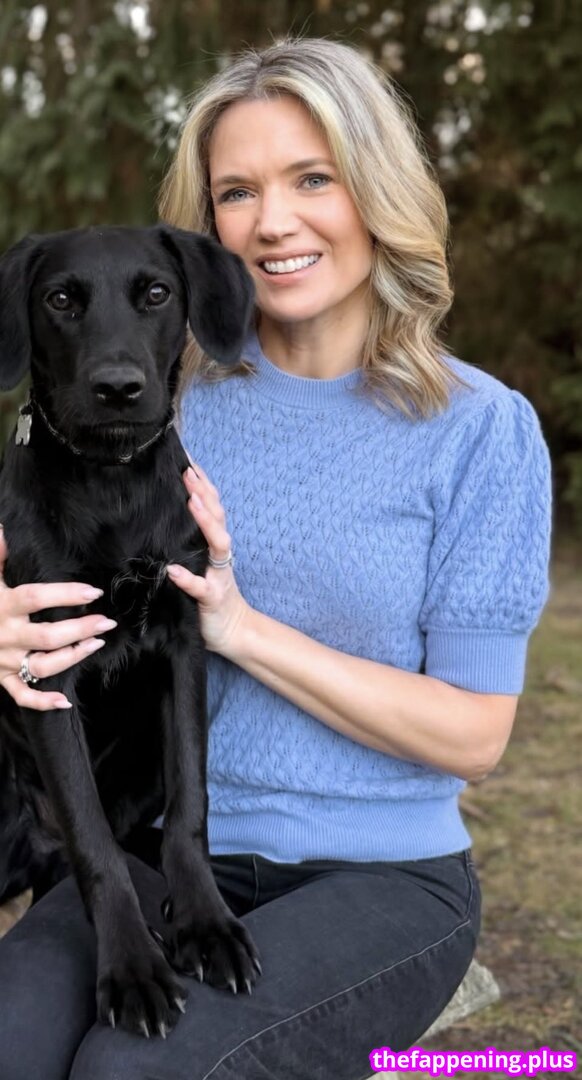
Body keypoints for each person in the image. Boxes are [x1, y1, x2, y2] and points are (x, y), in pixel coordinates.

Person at [0, 37, 551, 1080]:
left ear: (376, 190)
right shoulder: (144, 403)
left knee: (137, 1070)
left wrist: (243, 629)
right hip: (162, 853)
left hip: (380, 873)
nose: (275, 221)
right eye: (238, 192)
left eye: (313, 178)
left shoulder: (480, 431)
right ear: (209, 226)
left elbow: (475, 736)